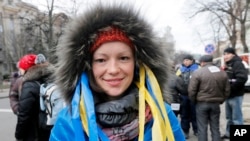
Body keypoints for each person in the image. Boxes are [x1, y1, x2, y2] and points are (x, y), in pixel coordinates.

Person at [50, 4, 185, 141]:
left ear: (137, 64)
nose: (113, 70)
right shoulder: (68, 122)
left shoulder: (162, 115)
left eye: (124, 58)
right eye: (101, 60)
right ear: (87, 67)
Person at [188, 55, 230, 141]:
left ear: (202, 62)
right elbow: (227, 90)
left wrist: (194, 101)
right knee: (215, 127)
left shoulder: (198, 73)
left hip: (201, 103)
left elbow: (191, 90)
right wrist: (221, 100)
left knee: (202, 128)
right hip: (215, 104)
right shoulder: (222, 72)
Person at [15, 54, 55, 141]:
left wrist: (18, 135)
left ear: (26, 68)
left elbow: (24, 115)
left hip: (35, 133)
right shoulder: (52, 79)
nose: (19, 70)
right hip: (51, 130)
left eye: (21, 67)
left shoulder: (29, 85)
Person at [221, 47, 248, 139]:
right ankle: (229, 134)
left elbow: (242, 78)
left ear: (233, 54)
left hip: (236, 95)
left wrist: (231, 88)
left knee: (237, 119)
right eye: (224, 54)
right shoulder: (228, 64)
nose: (225, 56)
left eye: (227, 54)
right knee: (229, 118)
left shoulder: (237, 63)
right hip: (228, 95)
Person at [176, 54, 199, 139]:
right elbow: (176, 80)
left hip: (194, 96)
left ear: (192, 61)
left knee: (195, 114)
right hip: (184, 95)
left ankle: (196, 130)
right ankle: (185, 131)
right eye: (184, 60)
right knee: (184, 114)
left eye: (187, 60)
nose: (185, 62)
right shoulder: (180, 70)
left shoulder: (197, 69)